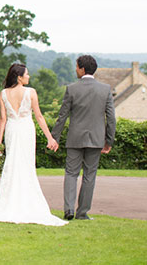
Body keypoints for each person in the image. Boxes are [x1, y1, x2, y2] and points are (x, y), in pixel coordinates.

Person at [0, 63, 67, 226]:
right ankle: (26, 202)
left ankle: (10, 202)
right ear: (19, 77)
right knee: (26, 165)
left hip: (11, 130)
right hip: (25, 130)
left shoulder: (3, 93)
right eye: (27, 74)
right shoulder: (30, 92)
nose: (29, 77)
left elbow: (3, 119)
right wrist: (50, 138)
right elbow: (39, 116)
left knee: (13, 164)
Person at [51, 54, 116, 221]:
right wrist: (109, 141)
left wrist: (54, 138)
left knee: (71, 174)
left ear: (82, 69)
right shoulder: (105, 89)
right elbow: (111, 118)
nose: (75, 69)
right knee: (89, 175)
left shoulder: (71, 89)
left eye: (77, 66)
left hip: (75, 138)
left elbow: (62, 116)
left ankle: (68, 210)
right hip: (96, 139)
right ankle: (82, 213)